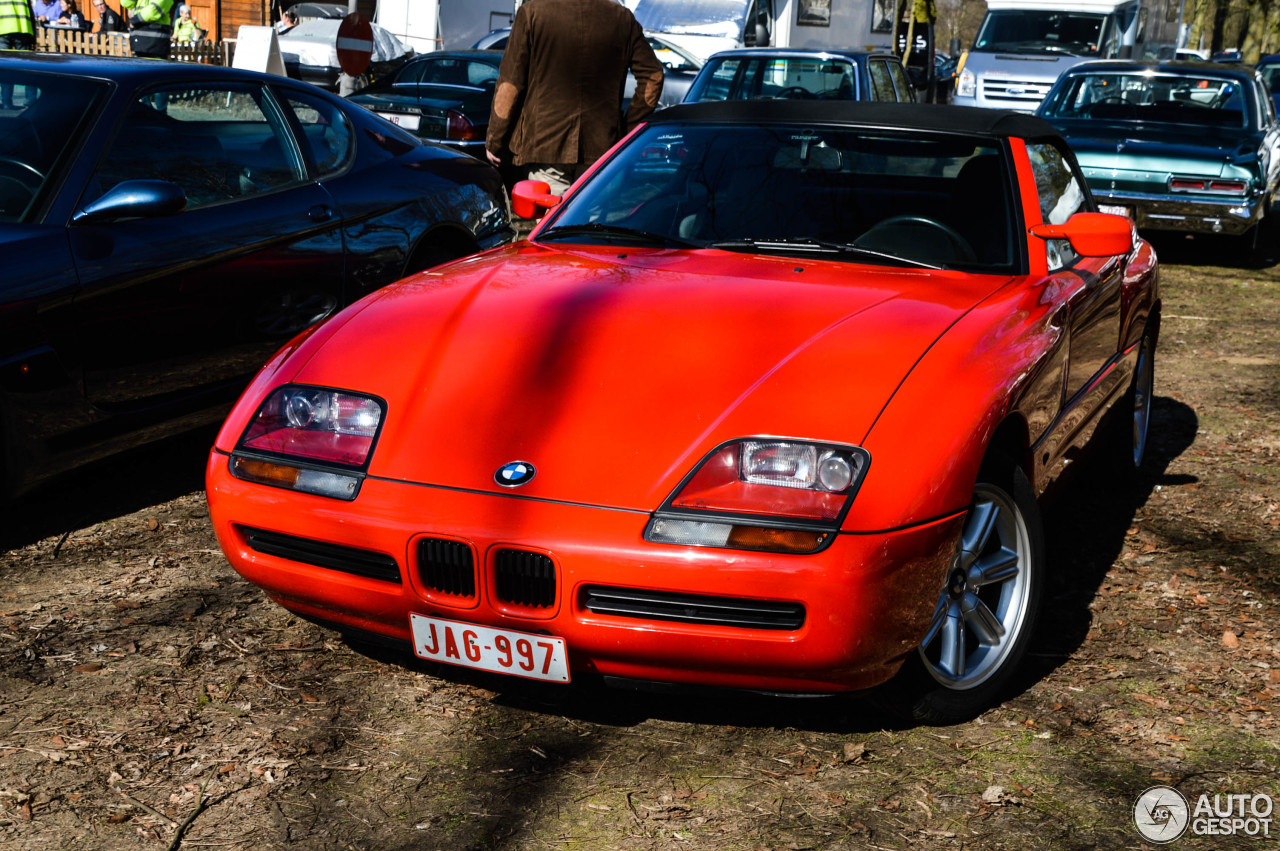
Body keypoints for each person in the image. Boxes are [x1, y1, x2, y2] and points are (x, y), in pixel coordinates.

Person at [485, 0, 663, 196]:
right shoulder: (622, 18)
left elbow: (510, 85)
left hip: (546, 145)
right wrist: (628, 129)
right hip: (602, 145)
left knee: (554, 222)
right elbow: (653, 76)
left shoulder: (533, 13)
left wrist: (495, 141)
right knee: (591, 222)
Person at [0, 0, 36, 109]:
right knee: (27, 67)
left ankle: (6, 102)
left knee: (5, 67)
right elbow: (30, 10)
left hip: (2, 30)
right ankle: (31, 100)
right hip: (22, 29)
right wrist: (33, 37)